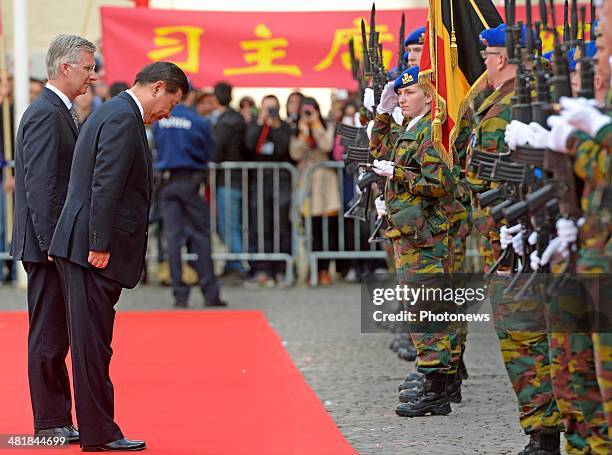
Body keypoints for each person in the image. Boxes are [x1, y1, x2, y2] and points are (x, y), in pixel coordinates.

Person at [49, 61, 187, 451]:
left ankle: (98, 429)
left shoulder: (114, 111)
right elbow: (105, 184)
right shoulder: (124, 118)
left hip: (83, 243)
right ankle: (100, 432)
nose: (168, 114)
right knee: (92, 345)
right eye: (171, 103)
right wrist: (99, 242)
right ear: (157, 88)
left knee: (93, 343)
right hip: (90, 249)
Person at [12, 34, 97, 443]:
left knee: (55, 331)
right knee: (48, 333)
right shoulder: (47, 113)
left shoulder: (57, 110)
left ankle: (56, 417)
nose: (92, 75)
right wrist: (52, 246)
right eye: (87, 67)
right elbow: (43, 186)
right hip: (47, 245)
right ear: (65, 67)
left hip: (51, 242)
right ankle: (49, 420)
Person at [370, 66, 464, 417]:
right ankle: (434, 380)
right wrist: (381, 112)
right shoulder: (409, 128)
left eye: (409, 93)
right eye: (400, 93)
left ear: (428, 96)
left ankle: (436, 386)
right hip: (409, 232)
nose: (403, 98)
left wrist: (399, 175)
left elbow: (439, 184)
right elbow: (377, 148)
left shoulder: (429, 131)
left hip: (424, 235)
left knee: (427, 309)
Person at [152, 90, 226, 307]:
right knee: (201, 237)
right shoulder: (197, 121)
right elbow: (208, 149)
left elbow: (156, 144)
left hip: (167, 182)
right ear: (189, 95)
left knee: (173, 240)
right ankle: (210, 293)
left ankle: (179, 295)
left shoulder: (161, 121)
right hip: (191, 181)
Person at [244, 94, 293, 287]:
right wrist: (260, 123)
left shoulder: (285, 128)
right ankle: (261, 268)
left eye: (273, 108)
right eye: (266, 108)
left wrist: (275, 126)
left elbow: (283, 149)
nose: (270, 112)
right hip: (259, 180)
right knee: (259, 223)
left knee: (280, 223)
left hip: (280, 179)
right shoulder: (256, 125)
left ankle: (280, 269)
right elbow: (250, 145)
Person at [289, 96, 339, 285]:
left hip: (326, 186)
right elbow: (294, 153)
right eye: (305, 111)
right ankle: (312, 268)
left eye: (311, 110)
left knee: (328, 230)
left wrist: (316, 124)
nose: (308, 115)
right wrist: (303, 132)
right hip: (305, 185)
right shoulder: (296, 129)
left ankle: (324, 270)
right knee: (311, 230)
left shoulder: (326, 126)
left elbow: (326, 145)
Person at [212, 82, 248, 280]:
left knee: (228, 224)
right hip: (238, 177)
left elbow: (217, 150)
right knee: (232, 223)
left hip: (227, 179)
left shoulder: (225, 122)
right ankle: (233, 261)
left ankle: (239, 264)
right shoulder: (238, 119)